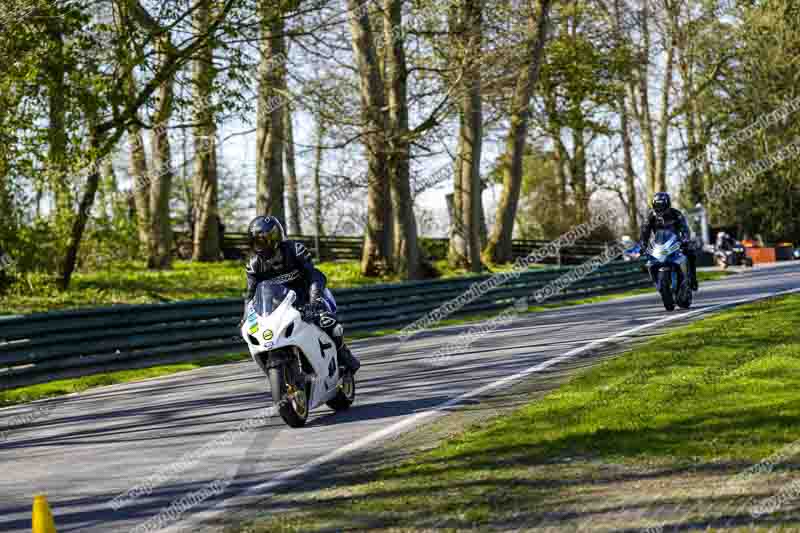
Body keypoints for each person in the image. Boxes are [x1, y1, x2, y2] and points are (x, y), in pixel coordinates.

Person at [241, 215, 361, 374]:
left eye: (267, 238)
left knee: (327, 321)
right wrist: (246, 316)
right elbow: (251, 294)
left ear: (277, 236)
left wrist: (315, 301)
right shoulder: (254, 265)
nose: (264, 244)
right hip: (279, 305)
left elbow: (313, 276)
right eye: (258, 241)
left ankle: (343, 353)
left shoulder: (295, 250)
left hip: (308, 295)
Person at [639, 192, 698, 290]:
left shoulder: (676, 214)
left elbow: (684, 228)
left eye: (662, 206)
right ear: (653, 205)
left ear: (668, 205)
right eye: (657, 206)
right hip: (659, 244)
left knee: (691, 253)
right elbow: (645, 232)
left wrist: (685, 239)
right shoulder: (650, 216)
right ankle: (656, 279)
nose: (660, 209)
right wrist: (643, 244)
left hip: (676, 242)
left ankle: (692, 279)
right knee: (648, 260)